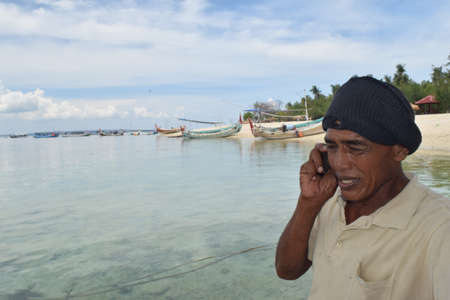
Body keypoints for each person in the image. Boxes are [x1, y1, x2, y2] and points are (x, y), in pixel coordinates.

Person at [275, 76, 450, 300]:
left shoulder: (440, 228)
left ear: (399, 151)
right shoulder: (329, 201)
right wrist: (308, 203)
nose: (339, 163)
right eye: (332, 146)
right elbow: (287, 271)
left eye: (355, 147)